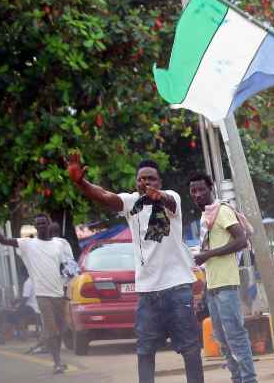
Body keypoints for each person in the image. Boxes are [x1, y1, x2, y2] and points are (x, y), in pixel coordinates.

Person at [67, 154, 203, 383]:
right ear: (136, 182)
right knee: (145, 352)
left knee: (190, 349)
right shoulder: (131, 203)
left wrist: (158, 196)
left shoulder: (173, 199)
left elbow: (168, 201)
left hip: (178, 289)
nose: (146, 183)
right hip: (147, 293)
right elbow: (104, 196)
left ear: (159, 181)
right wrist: (81, 182)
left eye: (151, 179)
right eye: (141, 179)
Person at [188, 172, 257, 383]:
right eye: (193, 191)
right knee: (222, 339)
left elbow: (242, 240)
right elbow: (210, 260)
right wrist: (205, 291)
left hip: (227, 284)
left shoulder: (222, 211)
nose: (198, 194)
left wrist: (207, 254)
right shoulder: (206, 216)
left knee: (235, 335)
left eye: (202, 189)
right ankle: (237, 379)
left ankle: (248, 379)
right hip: (214, 286)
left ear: (211, 189)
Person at [0, 214, 69, 374]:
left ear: (49, 224)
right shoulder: (28, 244)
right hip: (42, 295)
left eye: (43, 223)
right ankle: (57, 362)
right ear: (35, 227)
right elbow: (3, 240)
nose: (41, 226)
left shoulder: (58, 245)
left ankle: (57, 357)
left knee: (61, 330)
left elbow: (66, 267)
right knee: (52, 330)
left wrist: (67, 287)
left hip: (59, 294)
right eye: (38, 224)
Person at [0, 276, 39, 345]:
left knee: (1, 313)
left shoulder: (29, 282)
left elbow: (25, 299)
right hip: (37, 310)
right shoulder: (39, 280)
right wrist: (17, 302)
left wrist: (15, 306)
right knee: (4, 312)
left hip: (30, 309)